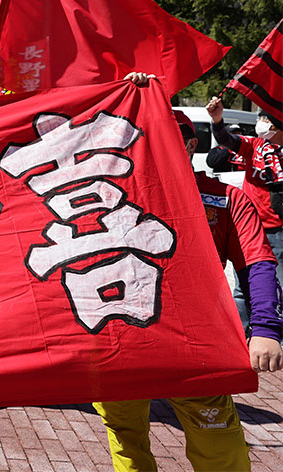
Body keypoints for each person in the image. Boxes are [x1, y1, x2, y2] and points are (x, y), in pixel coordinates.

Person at [94, 81, 282, 472]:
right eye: (145, 137)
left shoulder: (226, 199)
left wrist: (265, 328)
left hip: (196, 346)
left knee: (222, 454)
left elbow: (257, 263)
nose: (154, 145)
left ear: (190, 145)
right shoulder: (106, 194)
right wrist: (124, 90)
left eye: (167, 137)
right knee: (127, 448)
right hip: (120, 344)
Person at [208, 98, 283, 295]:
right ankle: (243, 326)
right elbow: (227, 140)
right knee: (243, 288)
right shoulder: (255, 145)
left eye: (266, 119)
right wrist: (217, 121)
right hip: (249, 227)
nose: (262, 123)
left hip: (277, 231)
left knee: (278, 285)